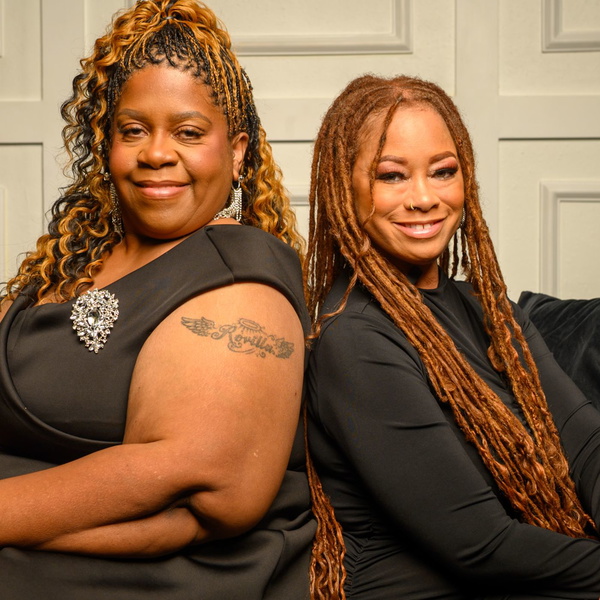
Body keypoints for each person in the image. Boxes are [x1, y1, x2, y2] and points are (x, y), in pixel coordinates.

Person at [0, 1, 316, 598]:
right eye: (133, 130)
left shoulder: (241, 280)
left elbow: (200, 490)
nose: (155, 154)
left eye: (188, 133)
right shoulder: (77, 257)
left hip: (147, 581)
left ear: (238, 150)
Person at [304, 74, 600, 599]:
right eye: (392, 176)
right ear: (343, 189)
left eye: (443, 171)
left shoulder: (492, 312)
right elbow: (480, 546)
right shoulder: (352, 337)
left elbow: (587, 449)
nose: (424, 198)